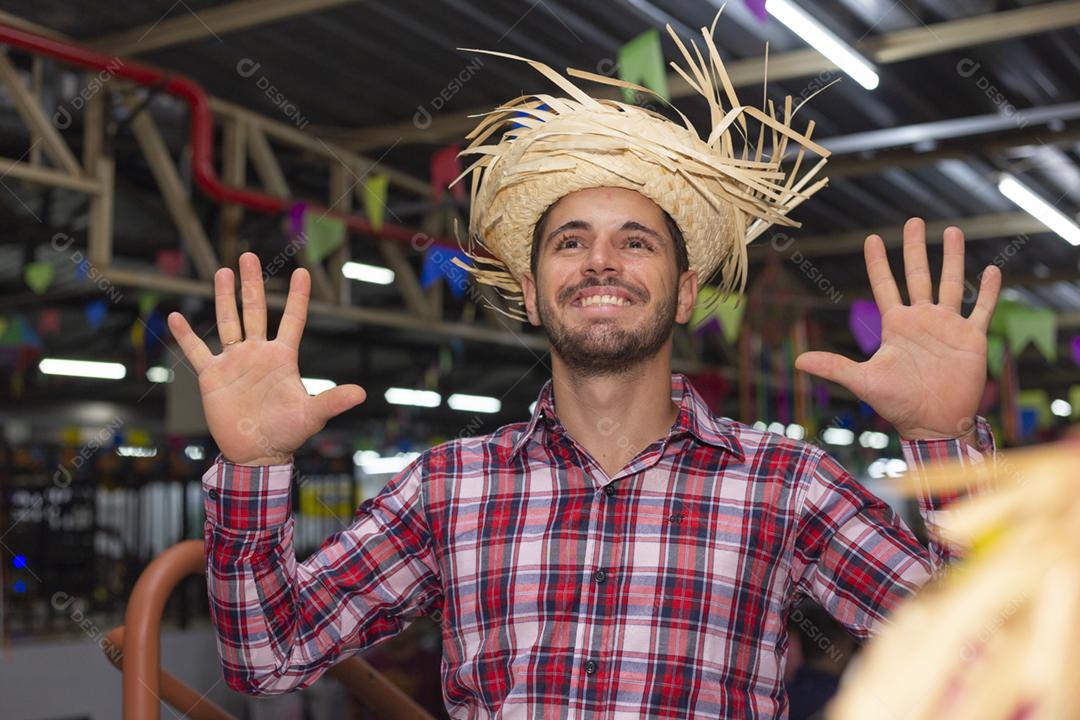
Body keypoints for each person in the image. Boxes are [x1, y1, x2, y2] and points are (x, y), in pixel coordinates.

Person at [166, 21, 1000, 719]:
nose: (601, 261)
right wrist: (253, 469)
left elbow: (987, 660)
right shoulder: (450, 488)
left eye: (636, 241)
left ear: (683, 293)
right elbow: (266, 656)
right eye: (571, 241)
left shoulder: (786, 484)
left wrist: (940, 442)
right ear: (531, 293)